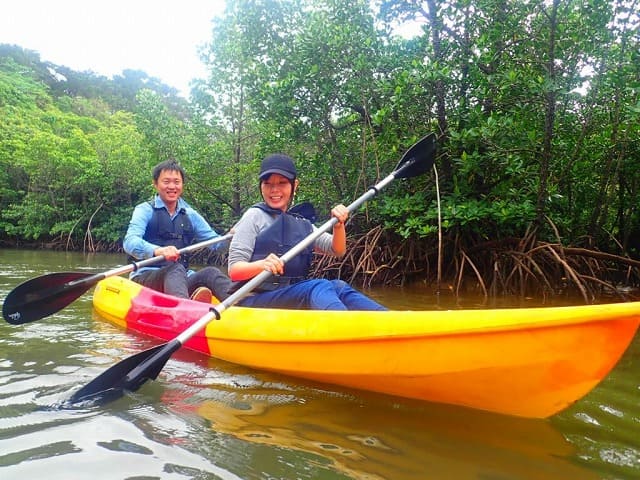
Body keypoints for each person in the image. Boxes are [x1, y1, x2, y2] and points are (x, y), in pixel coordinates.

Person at [227, 153, 387, 311]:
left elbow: (337, 250)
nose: (274, 190)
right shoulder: (253, 216)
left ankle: (388, 319)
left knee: (338, 286)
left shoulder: (302, 223)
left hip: (290, 295)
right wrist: (262, 265)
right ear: (261, 186)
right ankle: (343, 326)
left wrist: (339, 226)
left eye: (282, 183)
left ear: (294, 185)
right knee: (318, 286)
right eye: (268, 184)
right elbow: (235, 271)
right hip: (254, 299)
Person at [123, 159, 232, 303]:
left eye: (176, 182)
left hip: (180, 278)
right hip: (147, 277)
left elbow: (216, 245)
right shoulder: (144, 210)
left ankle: (240, 307)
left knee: (210, 273)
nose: (172, 186)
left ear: (182, 185)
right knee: (175, 269)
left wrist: (233, 236)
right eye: (166, 182)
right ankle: (184, 309)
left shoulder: (190, 215)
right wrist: (158, 250)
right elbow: (130, 242)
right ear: (155, 184)